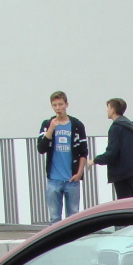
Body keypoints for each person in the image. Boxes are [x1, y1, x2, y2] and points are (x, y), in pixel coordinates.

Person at [36, 90, 88, 223]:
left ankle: (72, 242)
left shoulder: (76, 125)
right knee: (55, 218)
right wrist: (50, 130)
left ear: (66, 104)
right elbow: (41, 149)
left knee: (73, 217)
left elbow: (83, 151)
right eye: (55, 105)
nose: (58, 108)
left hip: (72, 179)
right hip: (54, 179)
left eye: (60, 104)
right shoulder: (47, 124)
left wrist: (79, 173)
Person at [92, 98, 133, 199]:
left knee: (124, 206)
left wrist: (94, 160)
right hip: (132, 172)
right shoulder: (132, 126)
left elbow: (111, 153)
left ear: (113, 110)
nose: (107, 111)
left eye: (108, 108)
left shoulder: (115, 128)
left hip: (121, 174)